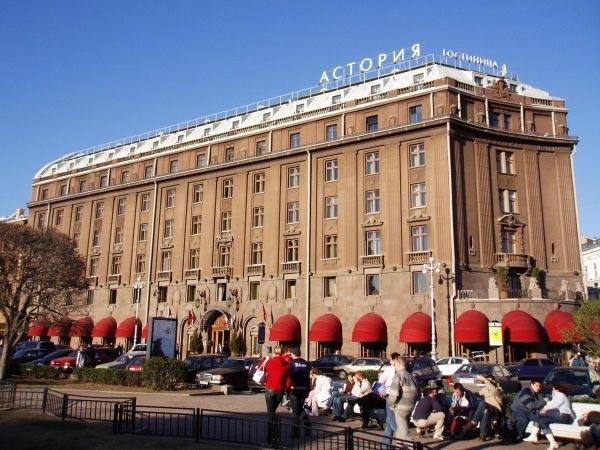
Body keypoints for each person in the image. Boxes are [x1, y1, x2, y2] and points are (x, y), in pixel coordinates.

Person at [524, 384, 574, 449]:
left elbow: (555, 404)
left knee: (538, 414)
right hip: (559, 417)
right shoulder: (557, 395)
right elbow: (551, 403)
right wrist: (545, 405)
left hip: (565, 416)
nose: (552, 390)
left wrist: (545, 409)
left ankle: (533, 435)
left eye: (553, 388)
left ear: (556, 389)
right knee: (542, 420)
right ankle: (553, 443)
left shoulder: (560, 395)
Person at [386, 354, 420, 444]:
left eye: (395, 365)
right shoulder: (411, 376)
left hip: (400, 407)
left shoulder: (398, 376)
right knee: (400, 430)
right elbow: (418, 392)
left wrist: (391, 404)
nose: (394, 367)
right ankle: (400, 445)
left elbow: (393, 394)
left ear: (398, 364)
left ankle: (412, 446)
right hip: (410, 406)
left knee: (403, 431)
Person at [464, 374, 504, 441]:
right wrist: (466, 391)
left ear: (494, 381)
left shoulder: (498, 389)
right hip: (488, 408)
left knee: (482, 403)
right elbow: (477, 394)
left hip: (496, 410)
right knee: (485, 412)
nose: (489, 382)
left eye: (490, 381)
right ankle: (483, 435)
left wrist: (483, 378)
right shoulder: (485, 389)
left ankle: (474, 422)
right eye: (488, 381)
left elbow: (491, 387)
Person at [263, 346, 289, 443]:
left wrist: (265, 359)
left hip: (270, 390)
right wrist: (288, 390)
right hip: (280, 391)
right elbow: (288, 379)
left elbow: (263, 368)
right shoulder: (286, 364)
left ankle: (270, 438)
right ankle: (275, 435)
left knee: (270, 414)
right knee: (272, 412)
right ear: (282, 353)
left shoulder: (270, 362)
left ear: (274, 352)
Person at [286, 347, 312, 437]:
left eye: (291, 354)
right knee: (300, 408)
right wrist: (308, 389)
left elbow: (289, 376)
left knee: (295, 411)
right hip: (304, 388)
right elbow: (309, 377)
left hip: (294, 389)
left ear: (293, 354)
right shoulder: (306, 363)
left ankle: (295, 432)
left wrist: (288, 388)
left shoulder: (291, 363)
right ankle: (307, 426)